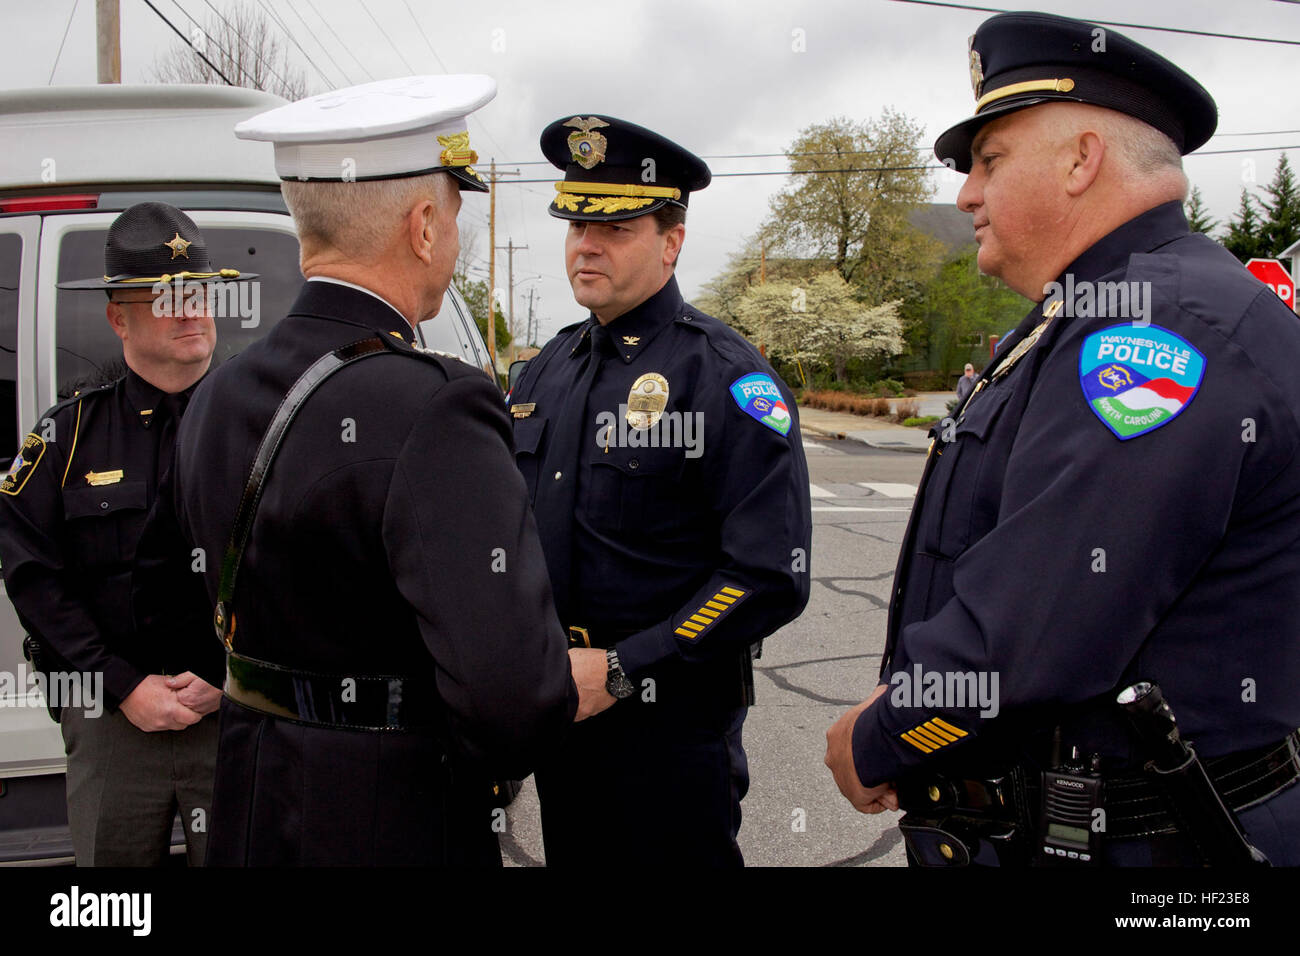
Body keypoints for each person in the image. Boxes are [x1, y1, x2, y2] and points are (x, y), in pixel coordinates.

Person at [825, 10, 1300, 866]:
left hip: (1159, 848)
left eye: (989, 161)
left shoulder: (1151, 329)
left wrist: (881, 736)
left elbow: (1037, 634)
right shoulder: (1089, 313)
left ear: (1082, 160)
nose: (966, 192)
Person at [132, 75, 576, 866]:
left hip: (248, 802)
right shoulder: (438, 406)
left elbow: (184, 597)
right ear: (425, 225)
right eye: (456, 212)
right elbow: (512, 701)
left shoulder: (216, 393)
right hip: (392, 820)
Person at [511, 115, 812, 866]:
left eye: (613, 227)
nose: (586, 244)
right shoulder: (543, 371)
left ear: (672, 241)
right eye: (576, 223)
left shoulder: (726, 378)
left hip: (669, 732)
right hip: (560, 718)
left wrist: (625, 668)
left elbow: (767, 575)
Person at [0, 202, 245, 865]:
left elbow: (300, 567)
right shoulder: (67, 434)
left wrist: (232, 673)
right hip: (115, 723)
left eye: (200, 292)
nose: (192, 310)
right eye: (167, 298)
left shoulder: (260, 426)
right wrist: (120, 685)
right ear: (118, 318)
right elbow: (33, 575)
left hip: (233, 716)